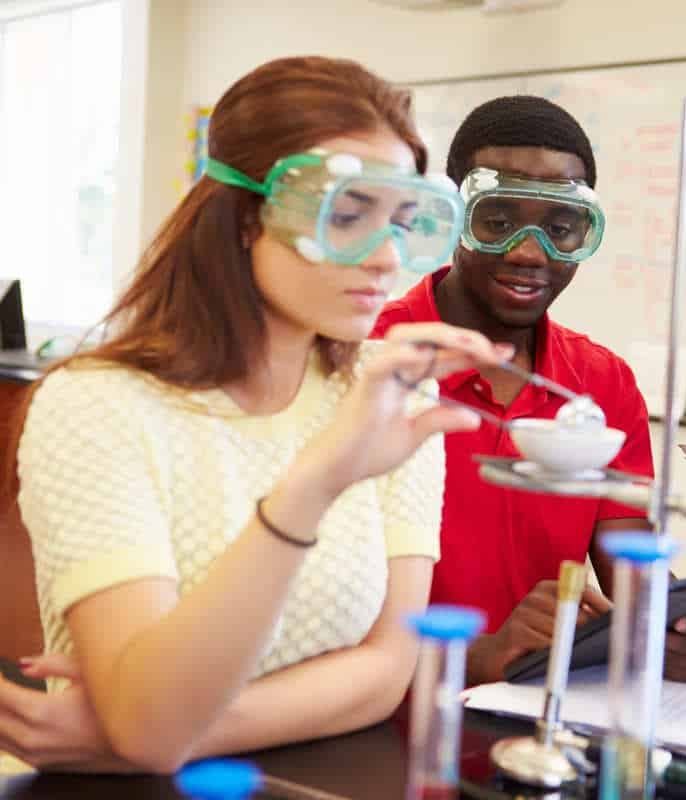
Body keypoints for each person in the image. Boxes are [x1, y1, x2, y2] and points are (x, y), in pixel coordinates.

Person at [0, 55, 509, 774]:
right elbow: (150, 724)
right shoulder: (98, 406)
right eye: (347, 214)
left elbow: (389, 668)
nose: (385, 257)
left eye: (401, 220)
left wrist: (140, 734)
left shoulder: (392, 393)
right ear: (246, 218)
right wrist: (316, 483)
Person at [371, 95, 686, 685]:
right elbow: (317, 602)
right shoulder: (372, 356)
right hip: (381, 731)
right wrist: (480, 655)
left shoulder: (603, 383)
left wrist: (679, 625)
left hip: (542, 728)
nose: (527, 252)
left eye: (561, 229)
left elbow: (631, 570)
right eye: (497, 221)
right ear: (454, 215)